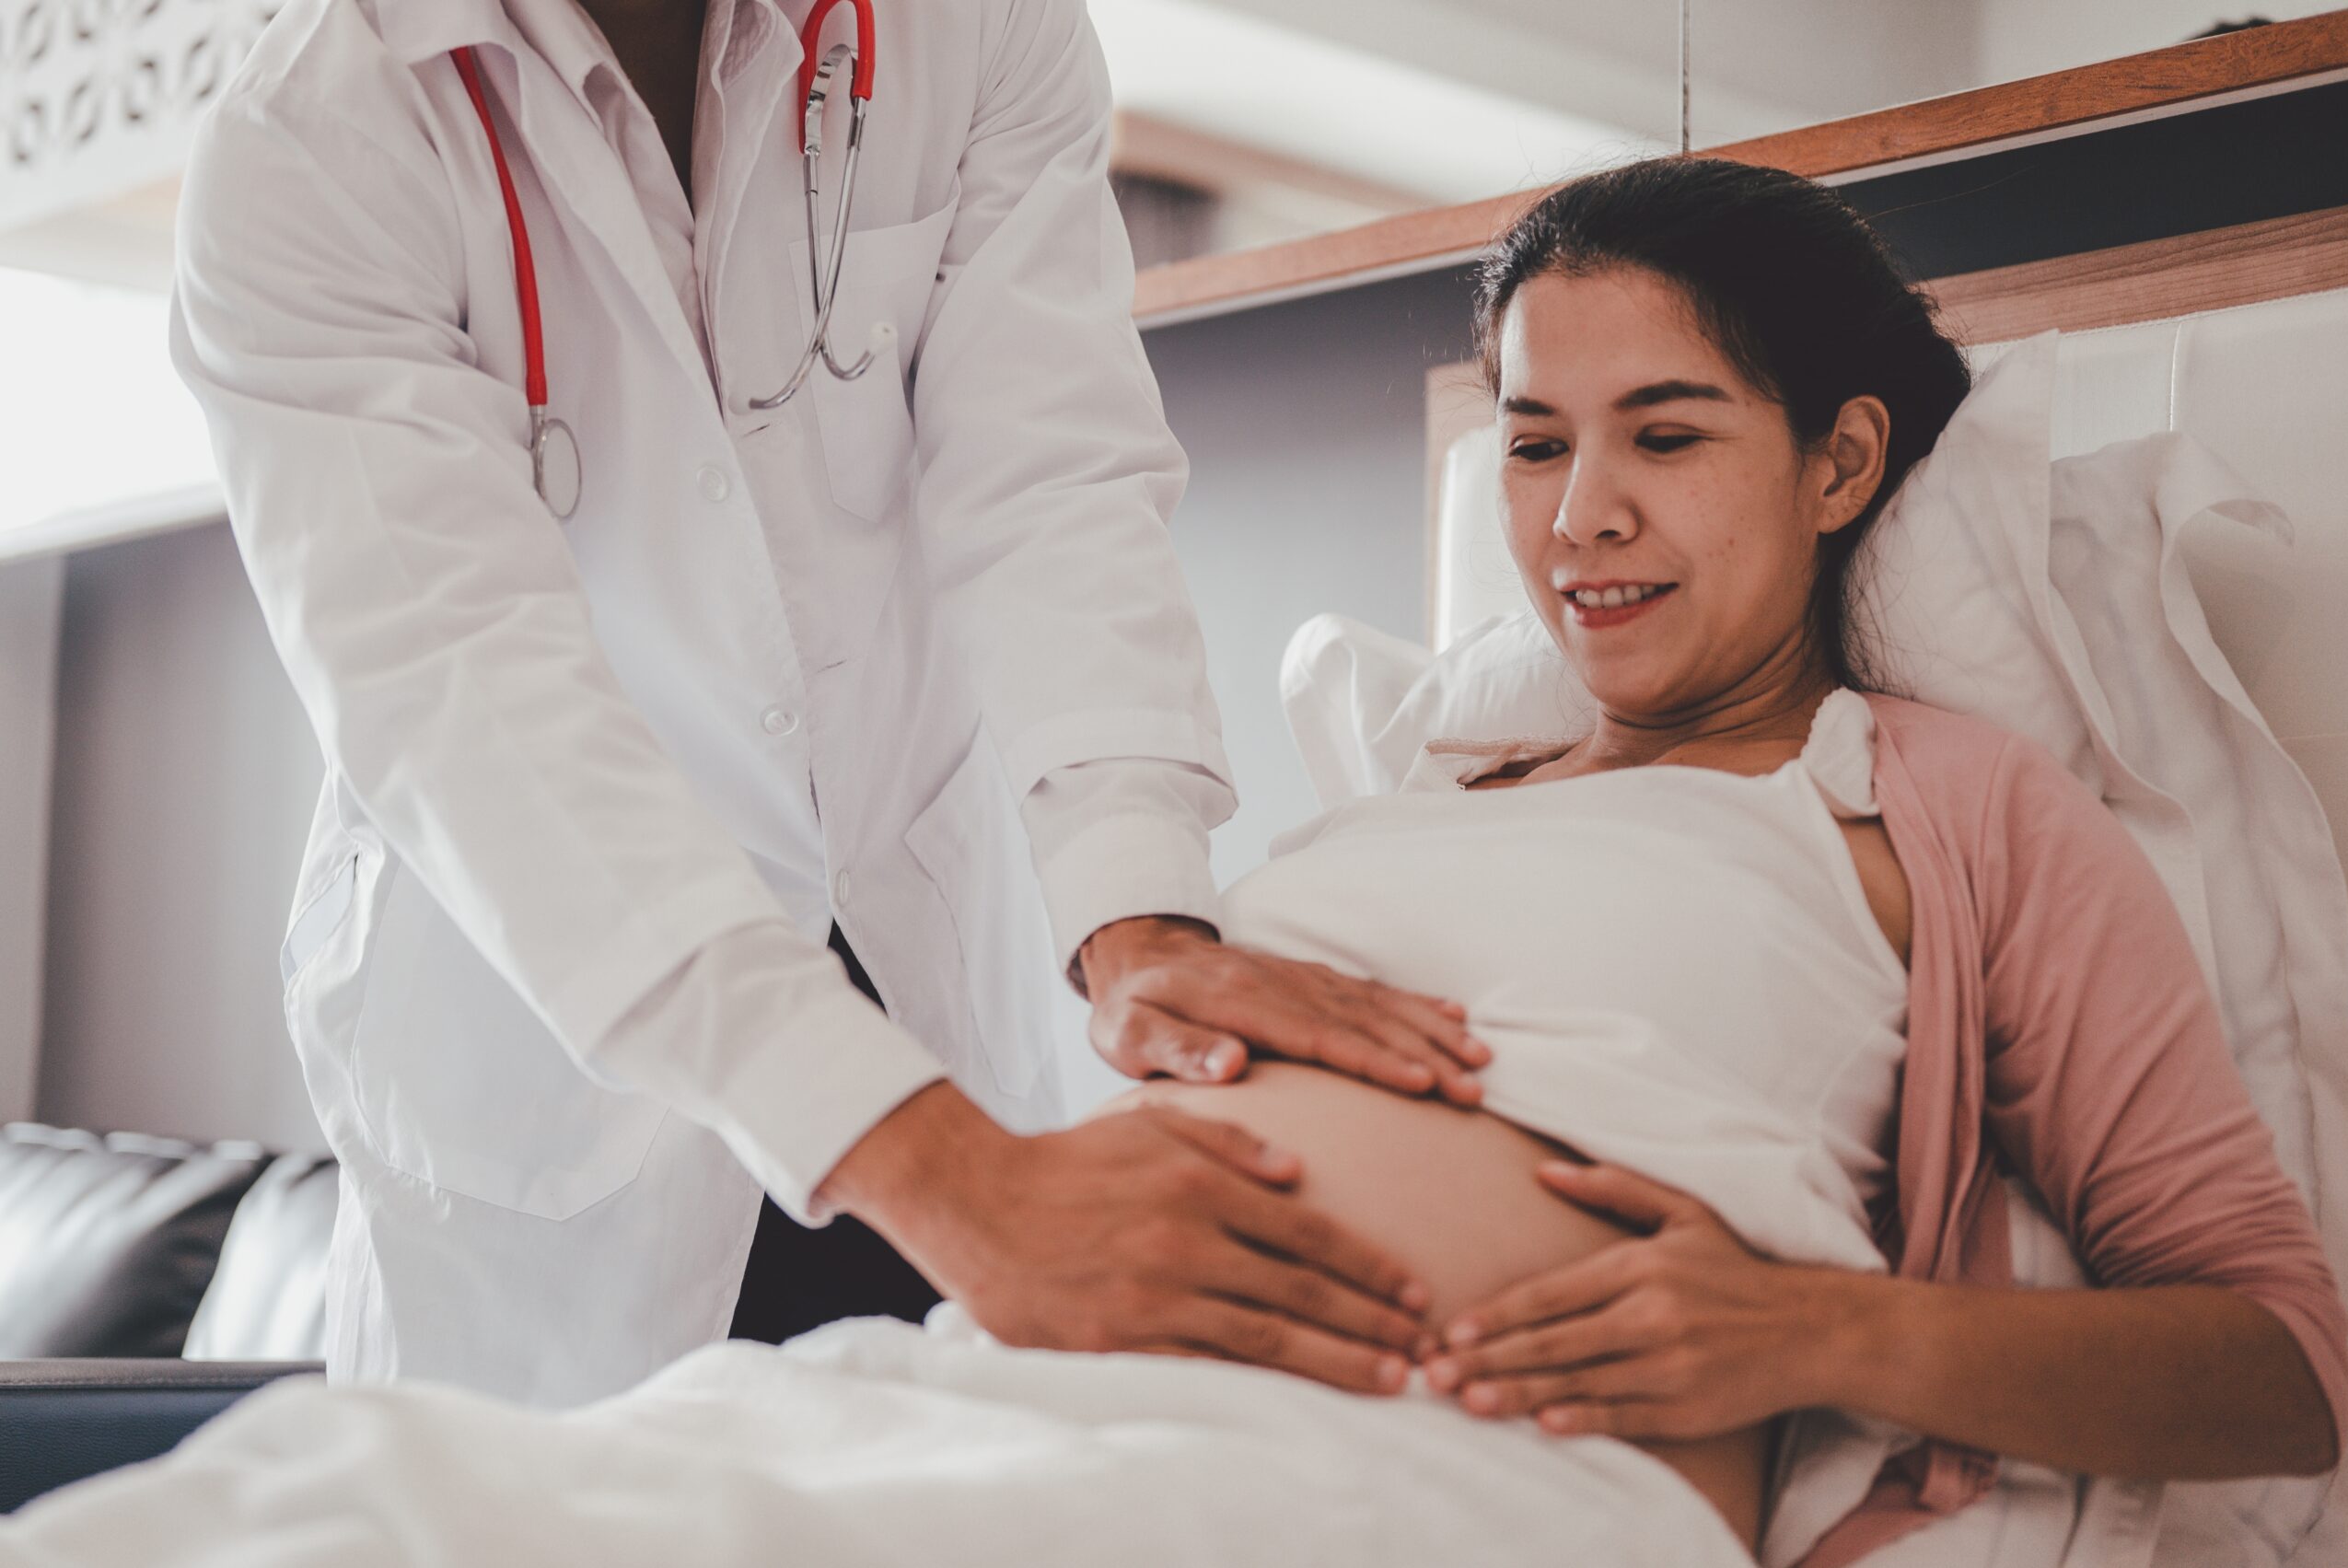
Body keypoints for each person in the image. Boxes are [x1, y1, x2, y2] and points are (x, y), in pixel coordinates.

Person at [27, 152, 2347, 1568]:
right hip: (1016, 1395)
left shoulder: (1935, 800)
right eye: (1533, 445)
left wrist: (1825, 1334)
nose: (1576, 519)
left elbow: (2281, 1358)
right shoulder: (1413, 790)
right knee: (325, 1520)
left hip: (1451, 1489)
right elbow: (460, 695)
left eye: (1665, 434)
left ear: (1841, 462)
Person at [169, 0, 1488, 1410]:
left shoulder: (976, 28)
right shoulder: (311, 137)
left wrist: (1136, 901)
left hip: (927, 957)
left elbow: (1052, 474)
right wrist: (944, 1171)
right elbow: (466, 708)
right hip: (572, 1044)